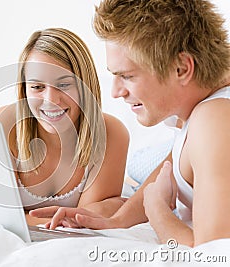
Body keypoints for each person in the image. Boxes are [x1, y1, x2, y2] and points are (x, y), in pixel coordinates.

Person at [30, 0, 230, 247]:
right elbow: (176, 163)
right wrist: (117, 220)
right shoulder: (206, 109)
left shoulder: (215, 119)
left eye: (127, 76)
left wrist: (157, 210)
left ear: (181, 68)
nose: (115, 92)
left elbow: (216, 254)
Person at [0, 28, 129, 226]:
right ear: (24, 90)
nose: (51, 100)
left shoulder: (112, 133)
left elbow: (83, 221)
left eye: (63, 85)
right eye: (37, 87)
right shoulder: (0, 126)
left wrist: (98, 210)